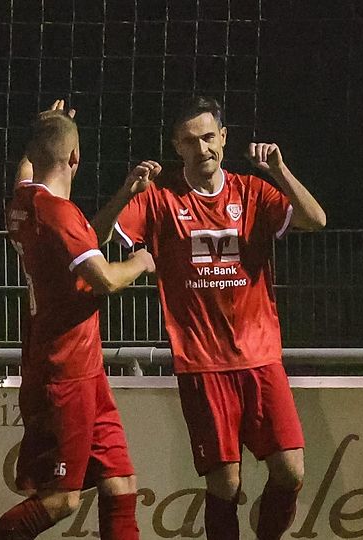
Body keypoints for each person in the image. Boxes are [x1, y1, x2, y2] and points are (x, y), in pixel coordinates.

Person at [91, 96, 327, 540]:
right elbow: (94, 239)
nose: (201, 149)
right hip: (203, 365)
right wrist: (127, 191)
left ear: (223, 137)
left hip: (261, 359)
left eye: (207, 137)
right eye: (189, 141)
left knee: (291, 470)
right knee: (226, 484)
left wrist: (278, 169)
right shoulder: (160, 201)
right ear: (176, 148)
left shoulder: (252, 192)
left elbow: (316, 220)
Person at [0, 101, 156, 540]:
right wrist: (141, 260)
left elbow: (81, 236)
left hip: (84, 371)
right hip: (64, 375)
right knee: (62, 499)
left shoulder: (25, 201)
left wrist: (125, 194)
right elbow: (103, 278)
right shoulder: (58, 215)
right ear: (76, 159)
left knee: (121, 485)